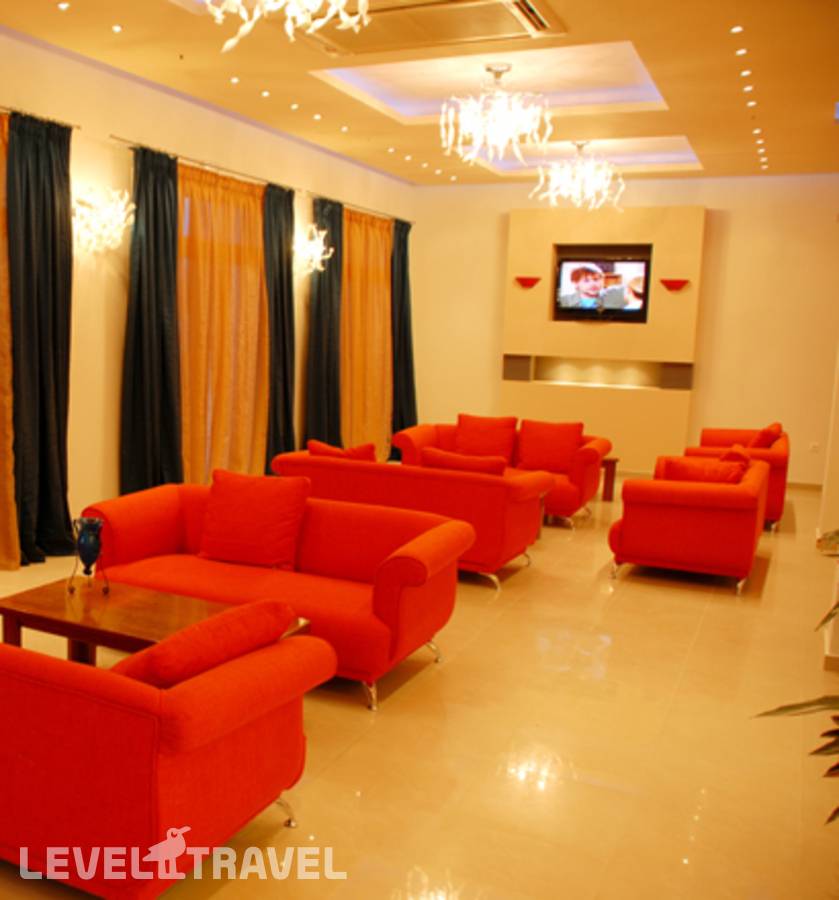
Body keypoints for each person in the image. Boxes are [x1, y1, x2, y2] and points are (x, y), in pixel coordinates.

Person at [558, 263, 627, 310]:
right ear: (576, 283)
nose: (593, 284)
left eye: (596, 279)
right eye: (586, 281)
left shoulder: (613, 295)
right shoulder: (564, 301)